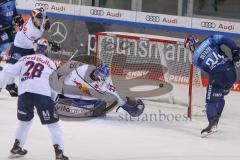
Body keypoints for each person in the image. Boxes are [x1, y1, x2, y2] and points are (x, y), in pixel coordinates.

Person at [3, 38, 69, 160]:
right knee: (53, 125)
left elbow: (10, 71)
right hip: (42, 94)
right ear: (46, 49)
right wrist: (53, 99)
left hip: (24, 94)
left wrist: (5, 64)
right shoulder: (51, 63)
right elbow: (54, 84)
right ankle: (59, 152)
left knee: (24, 122)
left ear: (35, 47)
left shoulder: (24, 59)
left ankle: (17, 146)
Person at [184, 34, 240, 137]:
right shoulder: (210, 39)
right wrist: (236, 51)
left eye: (189, 47)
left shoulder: (195, 59)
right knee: (221, 96)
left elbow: (210, 69)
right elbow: (227, 40)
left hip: (219, 77)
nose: (190, 50)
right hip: (232, 73)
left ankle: (212, 124)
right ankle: (216, 120)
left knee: (211, 101)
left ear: (191, 45)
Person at [50, 61, 145, 118]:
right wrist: (58, 71)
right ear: (96, 69)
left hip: (81, 103)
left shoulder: (103, 87)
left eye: (101, 78)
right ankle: (56, 102)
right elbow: (62, 70)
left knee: (100, 105)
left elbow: (119, 97)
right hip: (66, 95)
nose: (98, 78)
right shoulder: (83, 67)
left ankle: (62, 104)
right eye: (98, 75)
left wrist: (134, 107)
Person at [0, 7, 50, 97]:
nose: (40, 21)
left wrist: (46, 19)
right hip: (19, 47)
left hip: (29, 48)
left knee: (32, 70)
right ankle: (6, 85)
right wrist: (49, 44)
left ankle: (13, 86)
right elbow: (36, 46)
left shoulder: (41, 20)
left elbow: (44, 17)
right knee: (9, 68)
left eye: (41, 18)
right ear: (33, 18)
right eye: (38, 19)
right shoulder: (31, 31)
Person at [0, 0, 24, 70]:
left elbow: (15, 14)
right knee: (4, 44)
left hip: (10, 28)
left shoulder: (12, 2)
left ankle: (8, 61)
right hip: (2, 29)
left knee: (14, 42)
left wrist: (18, 20)